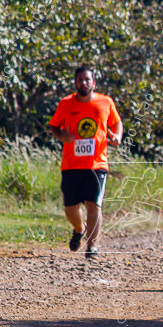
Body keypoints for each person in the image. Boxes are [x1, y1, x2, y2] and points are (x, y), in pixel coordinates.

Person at [48, 65, 123, 259]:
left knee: (94, 204)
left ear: (94, 82)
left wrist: (117, 136)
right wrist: (63, 136)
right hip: (71, 165)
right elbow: (54, 126)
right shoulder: (65, 104)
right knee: (70, 209)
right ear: (75, 82)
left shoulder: (105, 102)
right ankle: (80, 228)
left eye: (87, 79)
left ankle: (92, 247)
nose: (84, 82)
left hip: (97, 164)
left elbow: (116, 122)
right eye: (80, 79)